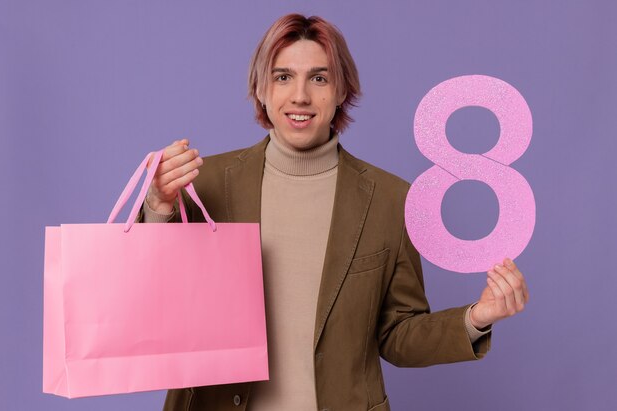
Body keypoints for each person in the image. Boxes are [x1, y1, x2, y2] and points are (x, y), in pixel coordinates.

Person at [141, 13, 529, 411]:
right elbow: (152, 296)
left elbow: (397, 333)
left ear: (342, 90)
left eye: (319, 78)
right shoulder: (203, 184)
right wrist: (157, 205)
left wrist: (476, 318)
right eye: (283, 77)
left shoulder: (389, 199)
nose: (300, 97)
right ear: (260, 88)